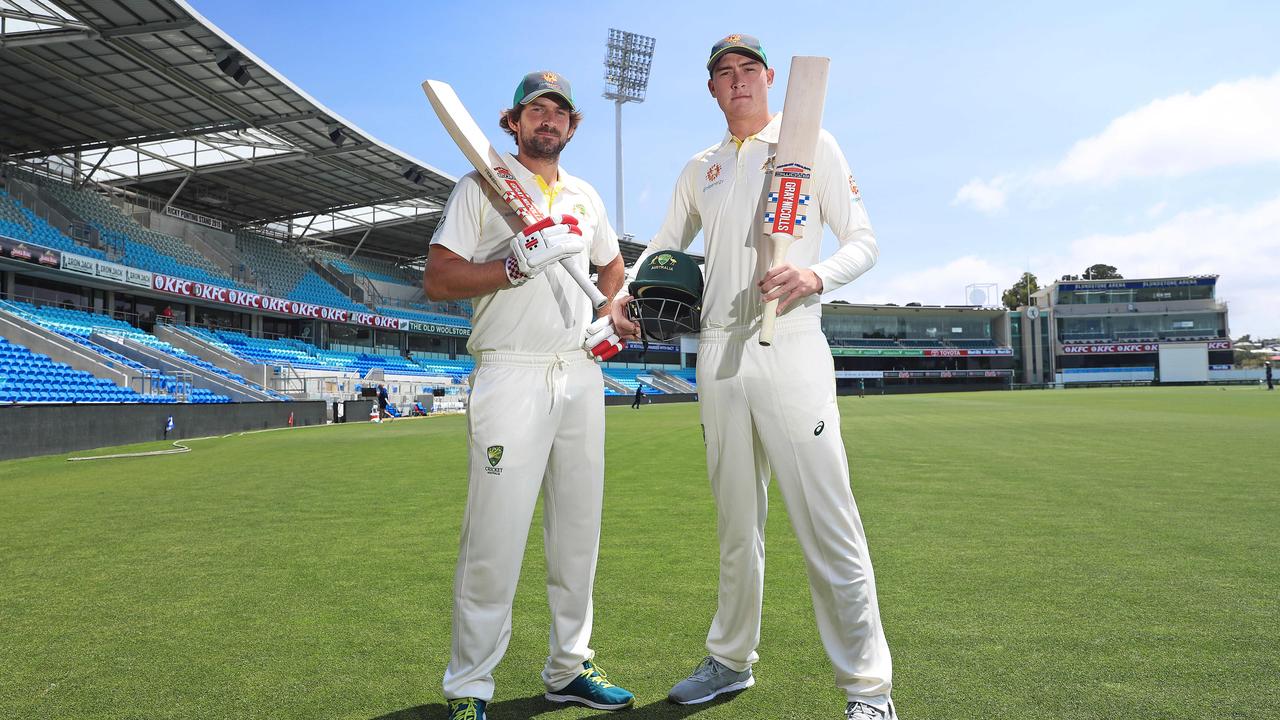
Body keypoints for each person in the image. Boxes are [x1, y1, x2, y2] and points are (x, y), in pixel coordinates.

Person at [610, 34, 897, 720]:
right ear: (712, 89)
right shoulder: (699, 168)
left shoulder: (808, 143)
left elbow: (864, 240)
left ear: (769, 79)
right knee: (737, 525)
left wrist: (814, 273)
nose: (736, 81)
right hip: (720, 351)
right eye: (723, 74)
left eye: (747, 70)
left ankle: (869, 690)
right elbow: (663, 246)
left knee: (829, 524)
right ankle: (730, 660)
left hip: (790, 340)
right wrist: (626, 292)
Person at [423, 70, 635, 720]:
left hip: (580, 372)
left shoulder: (586, 197)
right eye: (535, 110)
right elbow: (438, 279)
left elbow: (610, 266)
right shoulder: (479, 187)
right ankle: (469, 687)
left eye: (559, 112)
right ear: (512, 122)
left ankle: (569, 668)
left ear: (572, 127)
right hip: (511, 373)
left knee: (578, 534)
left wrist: (613, 308)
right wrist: (512, 264)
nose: (548, 119)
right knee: (494, 538)